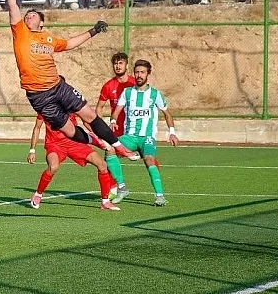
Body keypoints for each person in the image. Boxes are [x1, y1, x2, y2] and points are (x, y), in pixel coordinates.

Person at [1, 0, 138, 160]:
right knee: (69, 131)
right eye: (27, 16)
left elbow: (70, 43)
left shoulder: (49, 38)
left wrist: (94, 31)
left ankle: (119, 146)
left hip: (59, 87)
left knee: (89, 115)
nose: (28, 17)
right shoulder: (21, 32)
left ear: (41, 22)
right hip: (39, 97)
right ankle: (96, 141)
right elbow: (13, 4)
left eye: (32, 16)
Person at [109, 59, 179, 206]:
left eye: (142, 72)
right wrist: (113, 121)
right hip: (130, 137)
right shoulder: (127, 92)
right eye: (137, 72)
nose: (139, 75)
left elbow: (167, 114)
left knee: (149, 160)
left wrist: (172, 132)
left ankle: (160, 196)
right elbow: (116, 112)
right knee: (109, 149)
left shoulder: (155, 94)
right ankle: (122, 188)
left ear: (148, 74)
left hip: (147, 137)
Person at [27, 113, 120, 211]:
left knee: (102, 165)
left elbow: (86, 120)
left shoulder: (70, 103)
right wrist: (32, 150)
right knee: (53, 167)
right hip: (55, 145)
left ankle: (105, 202)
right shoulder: (45, 108)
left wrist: (99, 136)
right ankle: (38, 194)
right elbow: (37, 128)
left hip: (75, 143)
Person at [94, 52, 136, 203]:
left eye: (121, 63)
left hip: (134, 129)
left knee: (148, 158)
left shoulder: (133, 83)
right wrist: (100, 126)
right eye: (115, 63)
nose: (118, 66)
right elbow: (99, 107)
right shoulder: (108, 86)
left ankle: (159, 192)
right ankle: (116, 188)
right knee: (109, 155)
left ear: (126, 65)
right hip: (116, 129)